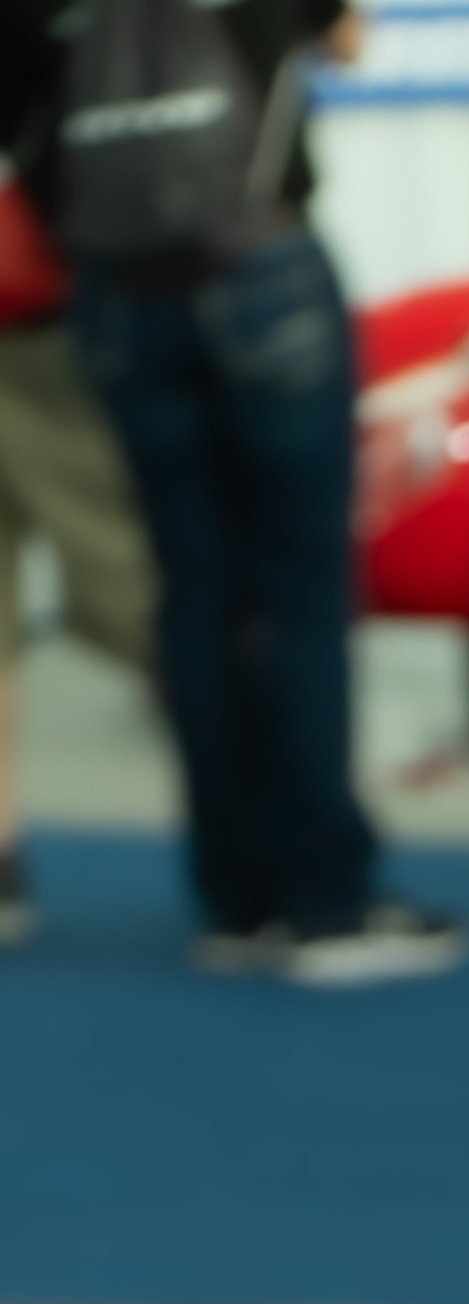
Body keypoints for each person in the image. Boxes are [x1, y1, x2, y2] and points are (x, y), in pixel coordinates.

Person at [0, 0, 466, 980]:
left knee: (195, 597)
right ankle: (329, 903)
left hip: (121, 301)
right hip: (259, 272)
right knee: (299, 597)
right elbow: (345, 39)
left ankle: (236, 899)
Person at [0, 150, 154, 942]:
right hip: (43, 311)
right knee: (141, 585)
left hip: (41, 312)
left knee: (135, 587)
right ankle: (265, 847)